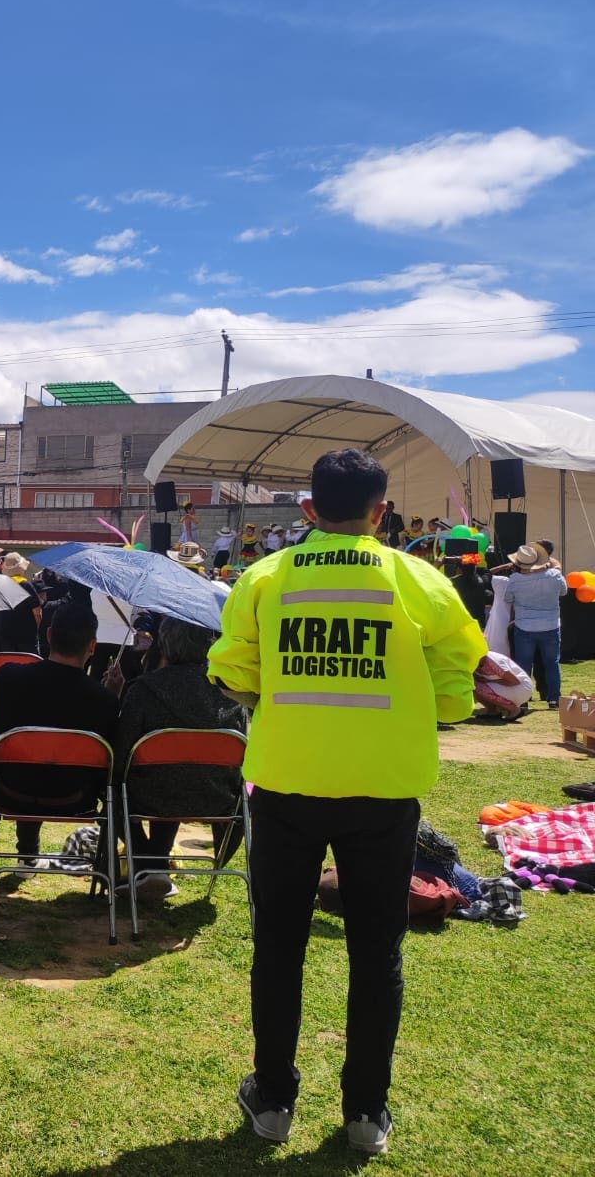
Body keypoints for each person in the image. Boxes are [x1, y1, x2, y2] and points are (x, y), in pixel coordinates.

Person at [208, 448, 485, 1156]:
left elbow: (233, 670)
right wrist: (417, 703)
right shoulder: (419, 579)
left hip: (285, 783)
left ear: (308, 510)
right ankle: (366, 1111)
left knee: (278, 946)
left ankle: (273, 1099)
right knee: (376, 951)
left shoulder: (264, 577)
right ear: (380, 512)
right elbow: (459, 682)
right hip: (384, 789)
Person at [114, 617, 245, 898]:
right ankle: (155, 865)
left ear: (165, 645)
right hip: (216, 798)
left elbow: (121, 756)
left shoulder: (144, 689)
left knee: (115, 790)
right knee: (176, 775)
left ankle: (150, 863)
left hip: (151, 795)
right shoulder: (231, 693)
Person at [0, 600, 120, 863]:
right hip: (76, 796)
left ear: (48, 634)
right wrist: (112, 695)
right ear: (92, 645)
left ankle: (27, 852)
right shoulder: (104, 699)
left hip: (12, 790)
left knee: (25, 755)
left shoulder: (7, 677)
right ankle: (106, 865)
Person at [503, 542, 566, 710]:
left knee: (523, 664)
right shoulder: (554, 575)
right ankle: (554, 699)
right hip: (551, 625)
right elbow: (563, 592)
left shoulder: (515, 579)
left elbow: (507, 599)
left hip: (524, 626)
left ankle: (523, 699)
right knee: (552, 663)